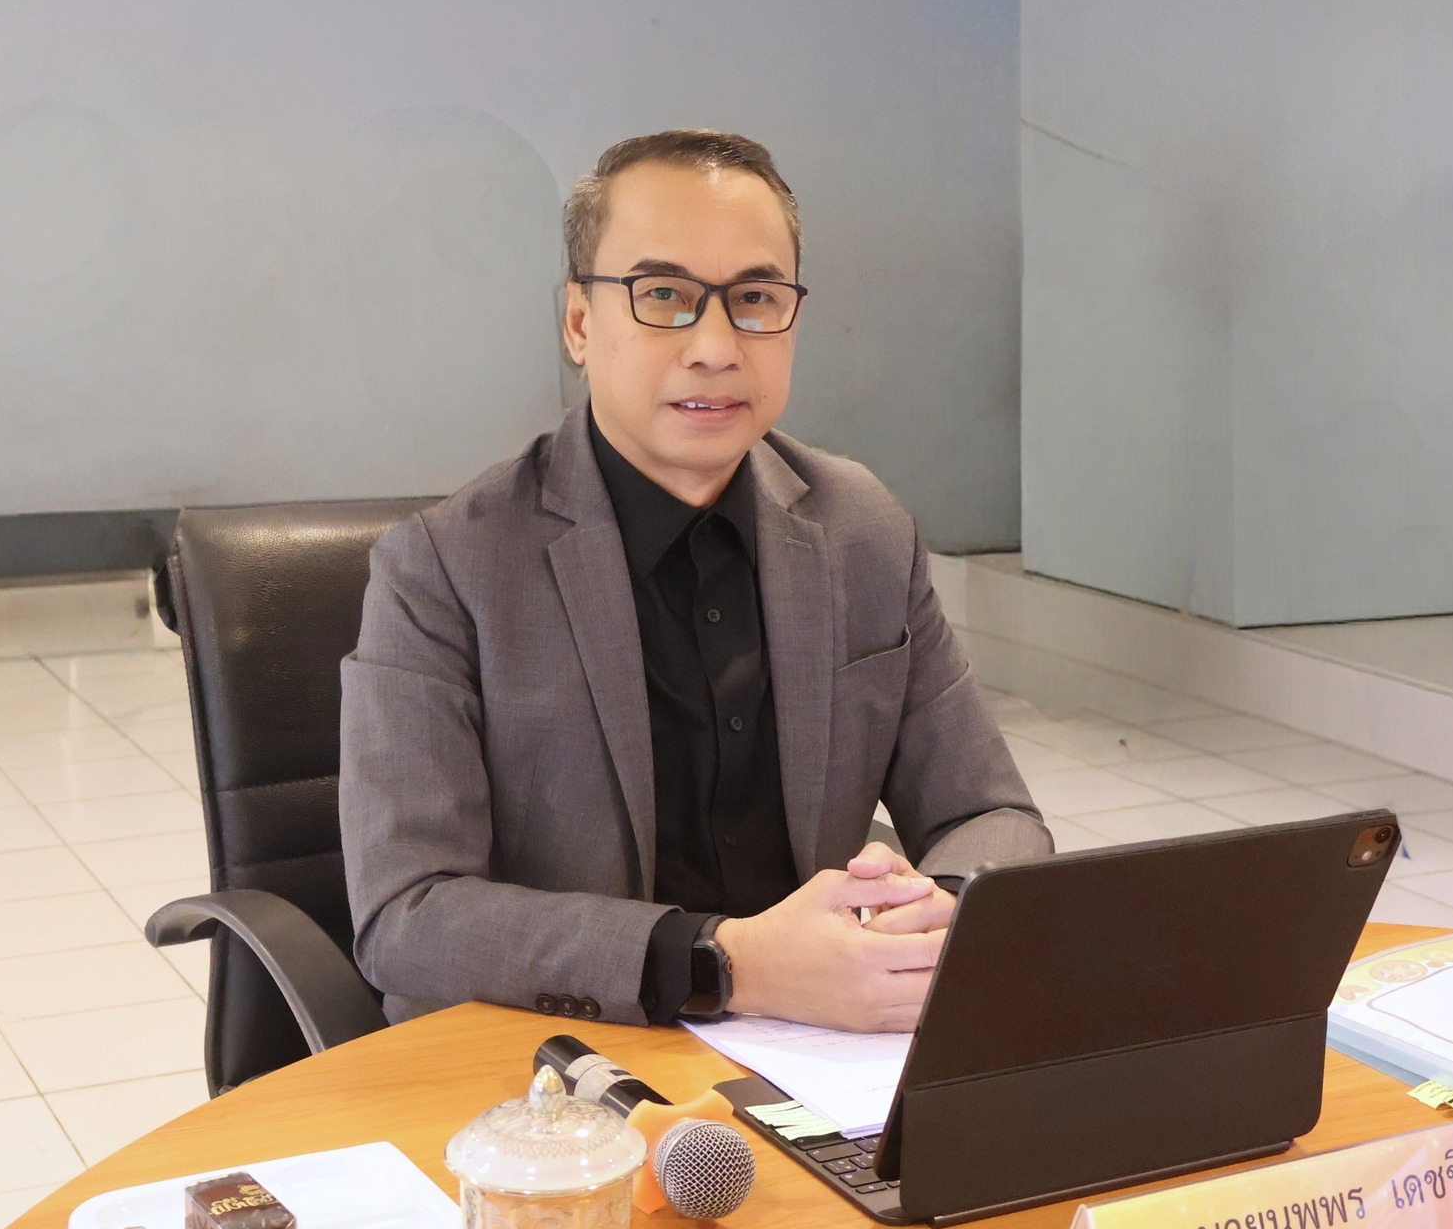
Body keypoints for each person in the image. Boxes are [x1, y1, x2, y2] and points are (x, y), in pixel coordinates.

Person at [339, 129, 1048, 1034]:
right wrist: (726, 963)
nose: (716, 346)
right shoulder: (445, 567)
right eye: (664, 296)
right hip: (562, 1053)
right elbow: (408, 916)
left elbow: (992, 813)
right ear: (580, 324)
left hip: (823, 1046)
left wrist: (938, 914)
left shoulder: (863, 530)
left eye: (755, 299)